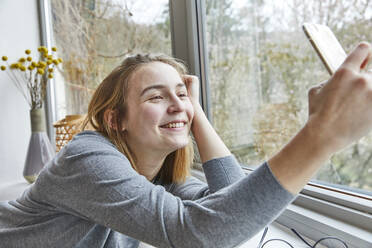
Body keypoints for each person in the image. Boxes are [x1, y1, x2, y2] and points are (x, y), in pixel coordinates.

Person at [0, 42, 371, 248]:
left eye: (181, 94)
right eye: (156, 97)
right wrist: (321, 136)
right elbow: (197, 234)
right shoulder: (88, 156)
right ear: (117, 120)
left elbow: (231, 208)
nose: (178, 104)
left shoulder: (160, 178)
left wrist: (197, 116)